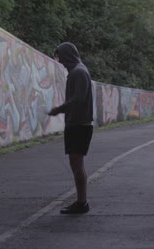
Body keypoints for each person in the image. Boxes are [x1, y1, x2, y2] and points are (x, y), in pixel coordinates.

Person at [48, 42, 93, 214]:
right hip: (77, 124)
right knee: (76, 164)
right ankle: (81, 201)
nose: (60, 62)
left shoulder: (79, 72)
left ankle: (82, 203)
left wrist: (59, 109)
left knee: (76, 164)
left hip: (79, 125)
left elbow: (79, 99)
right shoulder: (78, 71)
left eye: (61, 58)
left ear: (68, 55)